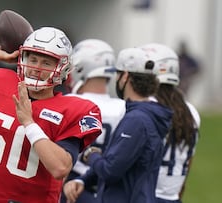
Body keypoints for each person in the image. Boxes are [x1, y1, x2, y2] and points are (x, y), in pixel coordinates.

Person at [0, 27, 102, 203]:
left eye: (46, 63)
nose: (36, 68)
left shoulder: (72, 109)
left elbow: (60, 168)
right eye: (33, 59)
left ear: (62, 68)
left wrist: (29, 123)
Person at [63, 47, 173, 203]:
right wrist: (84, 180)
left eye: (118, 74)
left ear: (125, 76)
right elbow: (120, 161)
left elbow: (110, 170)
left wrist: (91, 155)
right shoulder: (144, 114)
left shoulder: (137, 119)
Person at [60, 39, 125, 203]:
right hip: (108, 187)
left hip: (71, 188)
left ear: (81, 68)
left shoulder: (69, 102)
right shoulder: (124, 108)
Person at [140, 43, 201, 203]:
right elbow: (188, 161)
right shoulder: (190, 111)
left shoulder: (144, 108)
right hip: (172, 195)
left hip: (144, 195)